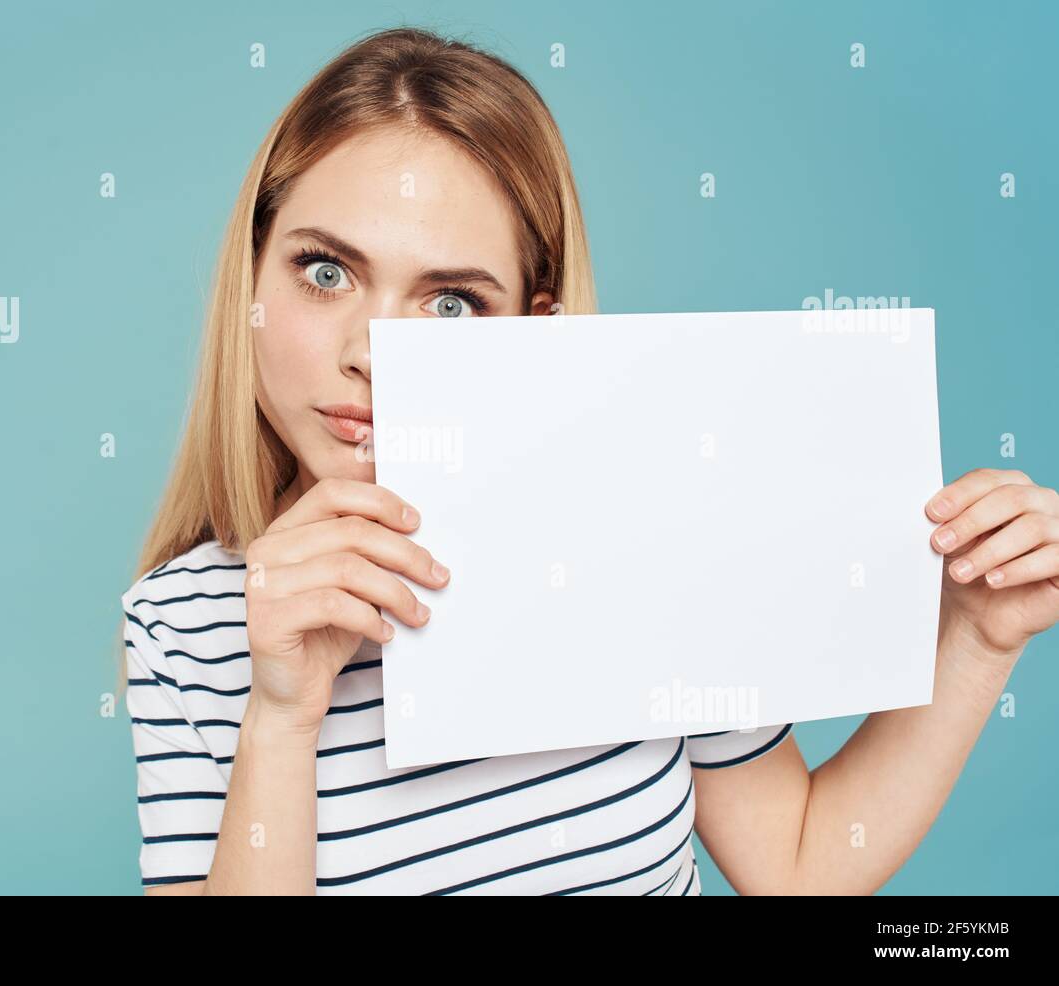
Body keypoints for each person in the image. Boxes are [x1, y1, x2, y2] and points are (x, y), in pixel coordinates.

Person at [120, 26, 1059, 895]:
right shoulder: (181, 628)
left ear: (535, 331)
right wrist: (282, 718)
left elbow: (801, 862)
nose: (369, 351)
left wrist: (978, 638)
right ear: (253, 276)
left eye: (450, 304)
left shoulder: (642, 534)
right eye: (326, 272)